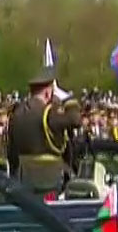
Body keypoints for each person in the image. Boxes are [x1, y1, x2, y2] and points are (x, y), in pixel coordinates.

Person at [6, 64, 82, 193]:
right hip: (49, 176)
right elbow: (75, 120)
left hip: (23, 175)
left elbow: (11, 150)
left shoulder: (16, 114)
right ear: (48, 93)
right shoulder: (48, 113)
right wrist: (69, 99)